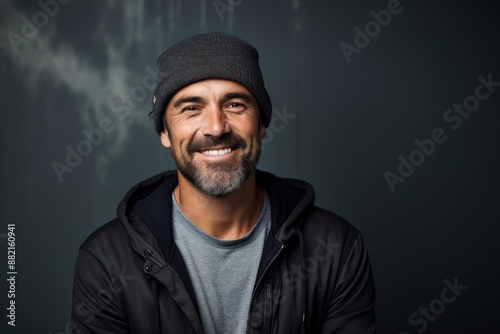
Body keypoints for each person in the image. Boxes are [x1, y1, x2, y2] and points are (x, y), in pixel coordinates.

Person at [71, 32, 376, 334]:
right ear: (164, 133)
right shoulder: (106, 260)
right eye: (191, 108)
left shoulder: (336, 248)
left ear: (262, 125)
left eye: (235, 105)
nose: (216, 127)